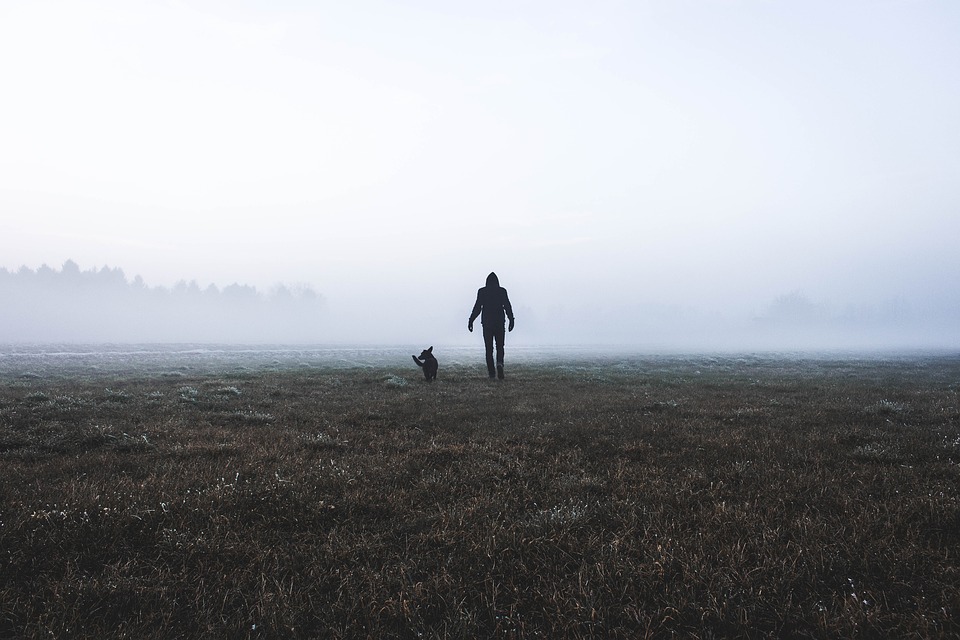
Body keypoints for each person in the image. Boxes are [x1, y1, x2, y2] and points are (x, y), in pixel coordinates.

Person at [468, 272, 515, 379]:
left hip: (487, 323)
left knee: (489, 349)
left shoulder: (482, 292)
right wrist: (511, 319)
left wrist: (471, 320)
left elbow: (477, 308)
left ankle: (492, 373)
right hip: (499, 322)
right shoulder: (502, 291)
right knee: (500, 347)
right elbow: (507, 306)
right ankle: (499, 363)